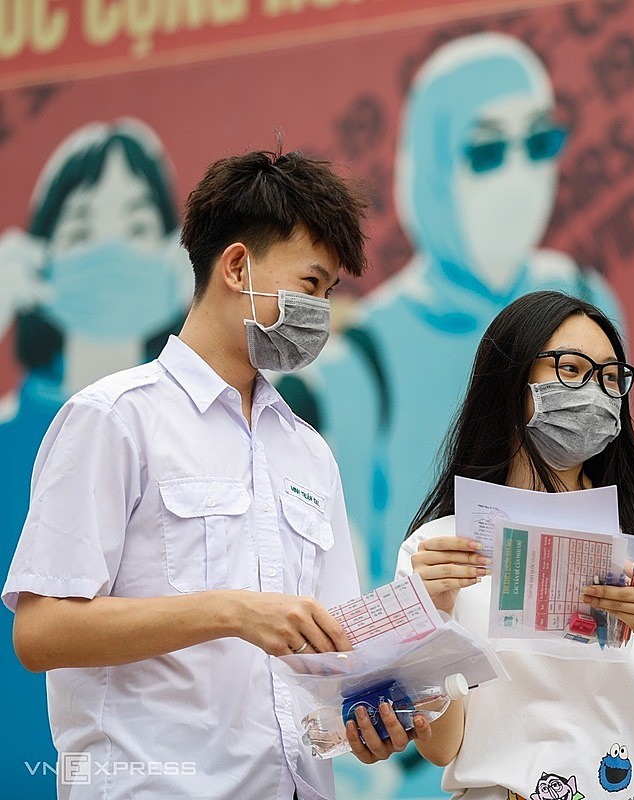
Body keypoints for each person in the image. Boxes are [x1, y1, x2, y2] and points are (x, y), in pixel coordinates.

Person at [3, 146, 420, 799]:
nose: (321, 311)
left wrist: (372, 714)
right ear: (235, 266)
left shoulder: (310, 453)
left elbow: (333, 653)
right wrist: (229, 612)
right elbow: (40, 631)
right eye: (311, 284)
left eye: (329, 292)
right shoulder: (114, 419)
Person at [281, 32, 622, 590]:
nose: (519, 175)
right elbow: (348, 579)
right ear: (434, 169)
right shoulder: (365, 359)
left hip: (577, 635)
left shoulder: (586, 299)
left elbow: (614, 480)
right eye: (486, 152)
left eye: (538, 142)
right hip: (440, 646)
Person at [394, 290, 634, 800]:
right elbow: (442, 747)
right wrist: (434, 617)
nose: (595, 392)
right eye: (571, 369)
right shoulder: (437, 551)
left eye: (611, 377)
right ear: (511, 379)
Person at [0, 118, 192, 798]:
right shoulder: (13, 437)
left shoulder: (213, 441)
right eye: (81, 231)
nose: (111, 252)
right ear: (36, 262)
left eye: (138, 228)